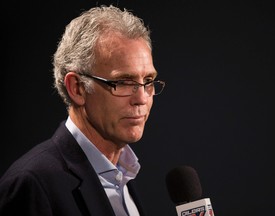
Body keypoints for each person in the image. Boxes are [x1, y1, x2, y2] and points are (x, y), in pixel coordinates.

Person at [0, 5, 165, 216]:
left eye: (148, 81)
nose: (142, 98)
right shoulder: (31, 184)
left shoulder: (122, 175)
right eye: (123, 82)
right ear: (77, 88)